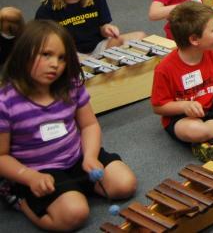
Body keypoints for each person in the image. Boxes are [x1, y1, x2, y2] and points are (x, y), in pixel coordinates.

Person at [0, 21, 136, 230]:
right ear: (24, 53)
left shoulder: (70, 85)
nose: (55, 64)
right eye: (46, 54)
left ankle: (75, 188)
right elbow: (1, 156)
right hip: (38, 171)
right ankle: (18, 198)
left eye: (62, 58)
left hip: (77, 157)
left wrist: (90, 156)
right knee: (75, 214)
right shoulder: (6, 102)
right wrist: (28, 177)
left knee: (125, 184)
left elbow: (89, 125)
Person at [150, 1, 213, 156]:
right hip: (183, 117)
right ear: (194, 40)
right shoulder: (164, 69)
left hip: (212, 104)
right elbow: (158, 107)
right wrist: (184, 106)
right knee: (197, 131)